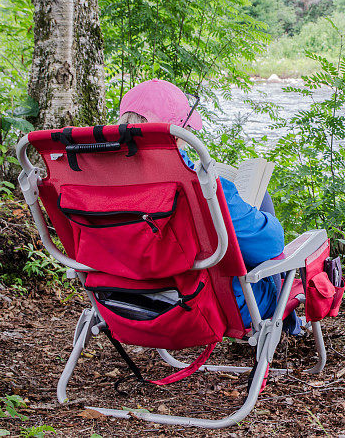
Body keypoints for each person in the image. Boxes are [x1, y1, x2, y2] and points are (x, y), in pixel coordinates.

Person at [118, 78, 302, 334]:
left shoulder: (101, 186)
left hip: (122, 302)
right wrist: (264, 219)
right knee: (262, 207)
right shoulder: (201, 186)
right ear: (177, 130)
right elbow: (270, 245)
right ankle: (288, 314)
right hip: (204, 304)